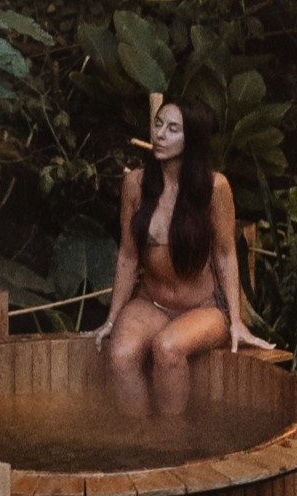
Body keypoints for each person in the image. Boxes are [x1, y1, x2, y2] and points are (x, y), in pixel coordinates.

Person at [94, 95, 271, 415]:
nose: (160, 134)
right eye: (158, 125)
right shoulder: (136, 183)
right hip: (151, 302)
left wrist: (236, 321)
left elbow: (226, 254)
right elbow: (128, 256)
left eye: (173, 129)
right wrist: (112, 317)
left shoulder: (215, 188)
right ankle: (138, 443)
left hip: (203, 307)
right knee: (120, 354)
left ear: (193, 140)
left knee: (168, 347)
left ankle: (171, 442)